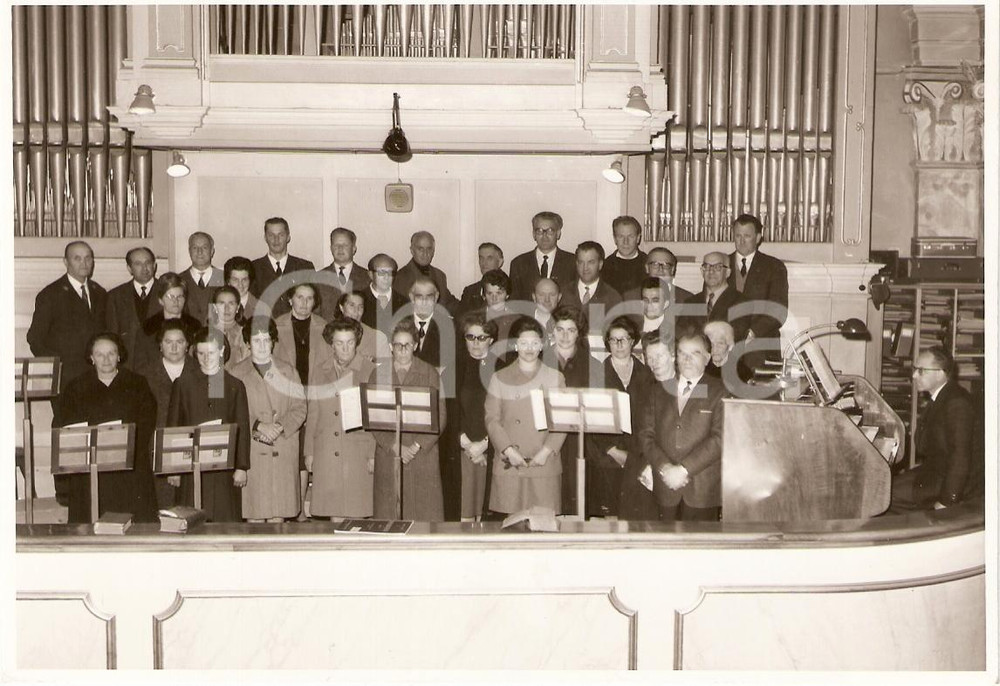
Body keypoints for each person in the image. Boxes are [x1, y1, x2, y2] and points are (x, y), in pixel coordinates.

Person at [54, 332, 158, 524]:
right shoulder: (76, 387)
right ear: (91, 357)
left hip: (129, 467)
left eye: (111, 353)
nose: (106, 359)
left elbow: (147, 421)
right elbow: (64, 425)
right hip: (90, 469)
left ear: (119, 356)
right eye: (100, 354)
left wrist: (126, 447)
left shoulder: (137, 383)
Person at [639, 331, 726, 522]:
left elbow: (720, 439)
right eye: (681, 353)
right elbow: (646, 437)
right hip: (665, 488)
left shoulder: (720, 391)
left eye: (694, 353)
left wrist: (683, 470)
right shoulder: (658, 390)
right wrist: (664, 468)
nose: (686, 359)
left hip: (702, 492)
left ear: (707, 357)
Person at [167, 327, 251, 522]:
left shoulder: (235, 385)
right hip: (190, 466)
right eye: (201, 353)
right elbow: (174, 427)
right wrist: (174, 469)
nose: (206, 358)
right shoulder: (182, 384)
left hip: (224, 468)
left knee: (224, 519)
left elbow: (242, 427)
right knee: (190, 518)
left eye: (211, 352)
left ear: (222, 351)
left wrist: (241, 467)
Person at [484, 317, 567, 515]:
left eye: (534, 343)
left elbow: (563, 421)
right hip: (510, 464)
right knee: (511, 532)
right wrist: (508, 451)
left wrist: (545, 452)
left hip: (544, 464)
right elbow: (491, 419)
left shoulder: (555, 377)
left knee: (543, 530)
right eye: (523, 343)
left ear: (542, 345)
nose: (529, 348)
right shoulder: (499, 378)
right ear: (515, 345)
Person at [229, 317, 307, 523]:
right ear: (247, 343)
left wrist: (280, 426)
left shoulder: (288, 371)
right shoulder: (236, 373)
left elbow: (300, 408)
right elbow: (231, 412)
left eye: (266, 340)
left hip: (282, 448)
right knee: (254, 515)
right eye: (256, 340)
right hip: (252, 452)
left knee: (278, 519)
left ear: (273, 341)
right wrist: (258, 424)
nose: (262, 346)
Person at [370, 320, 447, 521]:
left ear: (415, 346)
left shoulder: (430, 373)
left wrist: (416, 446)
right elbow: (373, 418)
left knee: (424, 517)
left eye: (407, 345)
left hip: (422, 455)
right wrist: (394, 446)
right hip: (390, 455)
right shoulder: (379, 373)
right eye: (397, 345)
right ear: (391, 347)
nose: (402, 350)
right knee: (389, 517)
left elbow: (441, 416)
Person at [890, 347, 983, 511]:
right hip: (936, 470)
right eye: (915, 369)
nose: (914, 375)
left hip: (953, 483)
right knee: (883, 487)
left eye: (921, 371)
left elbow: (960, 459)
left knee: (882, 497)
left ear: (940, 373)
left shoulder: (957, 403)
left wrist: (947, 501)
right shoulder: (940, 396)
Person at [303, 318, 378, 518]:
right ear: (331, 344)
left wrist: (372, 454)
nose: (345, 348)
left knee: (356, 512)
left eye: (350, 342)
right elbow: (313, 412)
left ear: (357, 342)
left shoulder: (370, 371)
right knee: (334, 514)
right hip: (326, 450)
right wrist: (309, 451)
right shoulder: (319, 371)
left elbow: (376, 418)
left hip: (357, 452)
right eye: (339, 343)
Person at [272, 282, 332, 516]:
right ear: (290, 300)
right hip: (288, 396)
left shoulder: (323, 326)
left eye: (309, 299)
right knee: (292, 449)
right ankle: (291, 506)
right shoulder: (277, 325)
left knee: (308, 449)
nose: (304, 303)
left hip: (315, 393)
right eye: (299, 297)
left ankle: (302, 507)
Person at [586, 316, 653, 518]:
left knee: (632, 514)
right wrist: (612, 450)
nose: (619, 344)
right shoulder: (596, 373)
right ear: (607, 343)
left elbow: (649, 418)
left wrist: (635, 457)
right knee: (608, 514)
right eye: (614, 340)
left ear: (633, 341)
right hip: (605, 455)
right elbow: (591, 418)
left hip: (638, 455)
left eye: (624, 339)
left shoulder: (647, 373)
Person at [27, 240, 108, 392]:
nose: (84, 263)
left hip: (97, 374)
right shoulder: (50, 294)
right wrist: (59, 366)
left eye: (88, 258)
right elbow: (35, 338)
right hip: (66, 378)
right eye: (77, 258)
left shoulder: (100, 292)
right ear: (66, 262)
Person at [453, 312, 511, 521]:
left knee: (486, 515)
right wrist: (467, 443)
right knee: (463, 514)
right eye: (470, 337)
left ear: (492, 340)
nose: (476, 343)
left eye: (482, 337)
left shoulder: (503, 370)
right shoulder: (454, 368)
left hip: (491, 450)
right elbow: (450, 411)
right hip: (462, 449)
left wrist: (484, 445)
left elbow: (506, 414)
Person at [547, 305, 604, 516]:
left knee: (577, 502)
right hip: (547, 440)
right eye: (560, 329)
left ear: (579, 333)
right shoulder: (538, 359)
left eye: (571, 330)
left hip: (580, 442)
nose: (564, 335)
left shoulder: (594, 365)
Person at [138, 320, 198, 509]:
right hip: (157, 450)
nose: (174, 347)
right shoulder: (144, 375)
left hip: (193, 449)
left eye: (179, 342)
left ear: (188, 345)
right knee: (163, 510)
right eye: (168, 341)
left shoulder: (199, 370)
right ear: (160, 345)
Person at [619, 332, 672, 520]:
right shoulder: (640, 385)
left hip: (671, 465)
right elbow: (635, 430)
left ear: (673, 355)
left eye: (660, 356)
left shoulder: (683, 387)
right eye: (649, 357)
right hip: (641, 463)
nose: (654, 363)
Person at [728, 213, 788, 369]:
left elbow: (778, 310)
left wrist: (752, 333)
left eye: (747, 236)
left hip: (762, 346)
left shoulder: (774, 267)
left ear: (759, 237)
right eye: (737, 235)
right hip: (726, 348)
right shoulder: (720, 264)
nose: (741, 241)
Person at [104, 246, 160, 371]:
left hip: (159, 365)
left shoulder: (166, 291)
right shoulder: (115, 296)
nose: (145, 268)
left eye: (148, 263)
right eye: (138, 264)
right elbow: (112, 335)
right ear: (129, 268)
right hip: (128, 365)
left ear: (154, 266)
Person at [251, 217, 316, 318]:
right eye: (271, 235)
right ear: (265, 238)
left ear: (288, 237)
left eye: (280, 235)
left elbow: (313, 303)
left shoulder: (304, 267)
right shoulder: (254, 268)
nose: (276, 240)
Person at [509, 211, 577, 302]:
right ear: (534, 234)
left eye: (550, 231)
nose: (544, 236)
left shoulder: (572, 262)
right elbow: (515, 302)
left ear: (558, 233)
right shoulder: (519, 264)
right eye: (539, 231)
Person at [679, 252, 747, 340]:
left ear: (728, 272)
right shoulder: (691, 302)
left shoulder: (741, 302)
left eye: (718, 267)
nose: (711, 271)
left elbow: (736, 337)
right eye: (707, 267)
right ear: (702, 271)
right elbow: (681, 335)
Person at [559, 241, 623, 333]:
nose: (585, 268)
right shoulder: (563, 293)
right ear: (576, 264)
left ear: (600, 264)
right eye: (581, 262)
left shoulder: (613, 297)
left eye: (591, 262)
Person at [393, 231, 459, 311]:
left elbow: (449, 303)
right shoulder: (400, 278)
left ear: (433, 251)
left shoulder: (440, 275)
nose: (425, 253)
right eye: (420, 249)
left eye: (429, 249)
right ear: (412, 250)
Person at [317, 227, 371, 321]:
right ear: (331, 248)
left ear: (354, 249)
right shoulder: (318, 278)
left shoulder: (367, 277)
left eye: (345, 245)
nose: (340, 249)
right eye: (336, 245)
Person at [332, 290, 390, 364]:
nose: (356, 311)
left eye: (360, 307)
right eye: (352, 305)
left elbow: (388, 368)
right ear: (341, 308)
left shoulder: (378, 337)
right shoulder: (328, 334)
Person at [141, 272, 202, 343]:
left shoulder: (194, 326)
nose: (175, 301)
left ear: (185, 299)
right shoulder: (149, 327)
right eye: (171, 297)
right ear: (160, 300)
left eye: (179, 296)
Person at [180, 232, 224, 325]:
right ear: (189, 251)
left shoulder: (223, 278)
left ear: (212, 251)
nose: (199, 252)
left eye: (204, 247)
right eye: (195, 248)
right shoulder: (179, 280)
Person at [408, 276, 452, 369]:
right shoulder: (399, 324)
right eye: (419, 296)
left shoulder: (449, 328)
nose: (424, 302)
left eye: (429, 296)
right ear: (412, 298)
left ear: (436, 298)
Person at [622, 247, 693, 305]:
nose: (660, 269)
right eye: (655, 264)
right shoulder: (630, 298)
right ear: (647, 268)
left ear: (672, 270)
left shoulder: (687, 299)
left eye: (666, 265)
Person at [361, 253, 408, 335]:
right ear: (371, 274)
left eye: (390, 272)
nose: (386, 277)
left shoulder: (404, 302)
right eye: (381, 272)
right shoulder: (359, 299)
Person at [600, 216, 648, 296]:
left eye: (630, 236)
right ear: (615, 239)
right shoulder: (605, 266)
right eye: (621, 236)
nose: (626, 242)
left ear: (638, 238)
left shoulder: (648, 263)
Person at [703, 320, 753, 389]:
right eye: (711, 344)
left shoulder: (741, 372)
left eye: (720, 344)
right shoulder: (703, 368)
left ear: (730, 346)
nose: (714, 349)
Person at [211, 286, 251, 371]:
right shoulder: (206, 332)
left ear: (237, 307)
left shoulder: (244, 333)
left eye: (231, 303)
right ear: (215, 307)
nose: (226, 308)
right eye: (222, 303)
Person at [458, 242, 505, 314]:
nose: (484, 263)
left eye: (489, 258)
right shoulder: (470, 292)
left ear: (500, 262)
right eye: (481, 258)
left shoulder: (510, 290)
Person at [479, 269, 519, 343]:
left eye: (499, 293)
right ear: (484, 295)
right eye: (490, 293)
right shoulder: (474, 319)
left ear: (507, 295)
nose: (494, 298)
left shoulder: (516, 321)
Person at [224, 256, 258, 324]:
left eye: (244, 280)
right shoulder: (216, 307)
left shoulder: (262, 308)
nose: (240, 285)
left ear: (250, 280)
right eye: (235, 280)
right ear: (228, 281)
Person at [531, 277, 562, 341]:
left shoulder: (566, 323)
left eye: (552, 295)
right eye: (541, 295)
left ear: (559, 297)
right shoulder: (523, 320)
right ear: (534, 297)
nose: (547, 300)